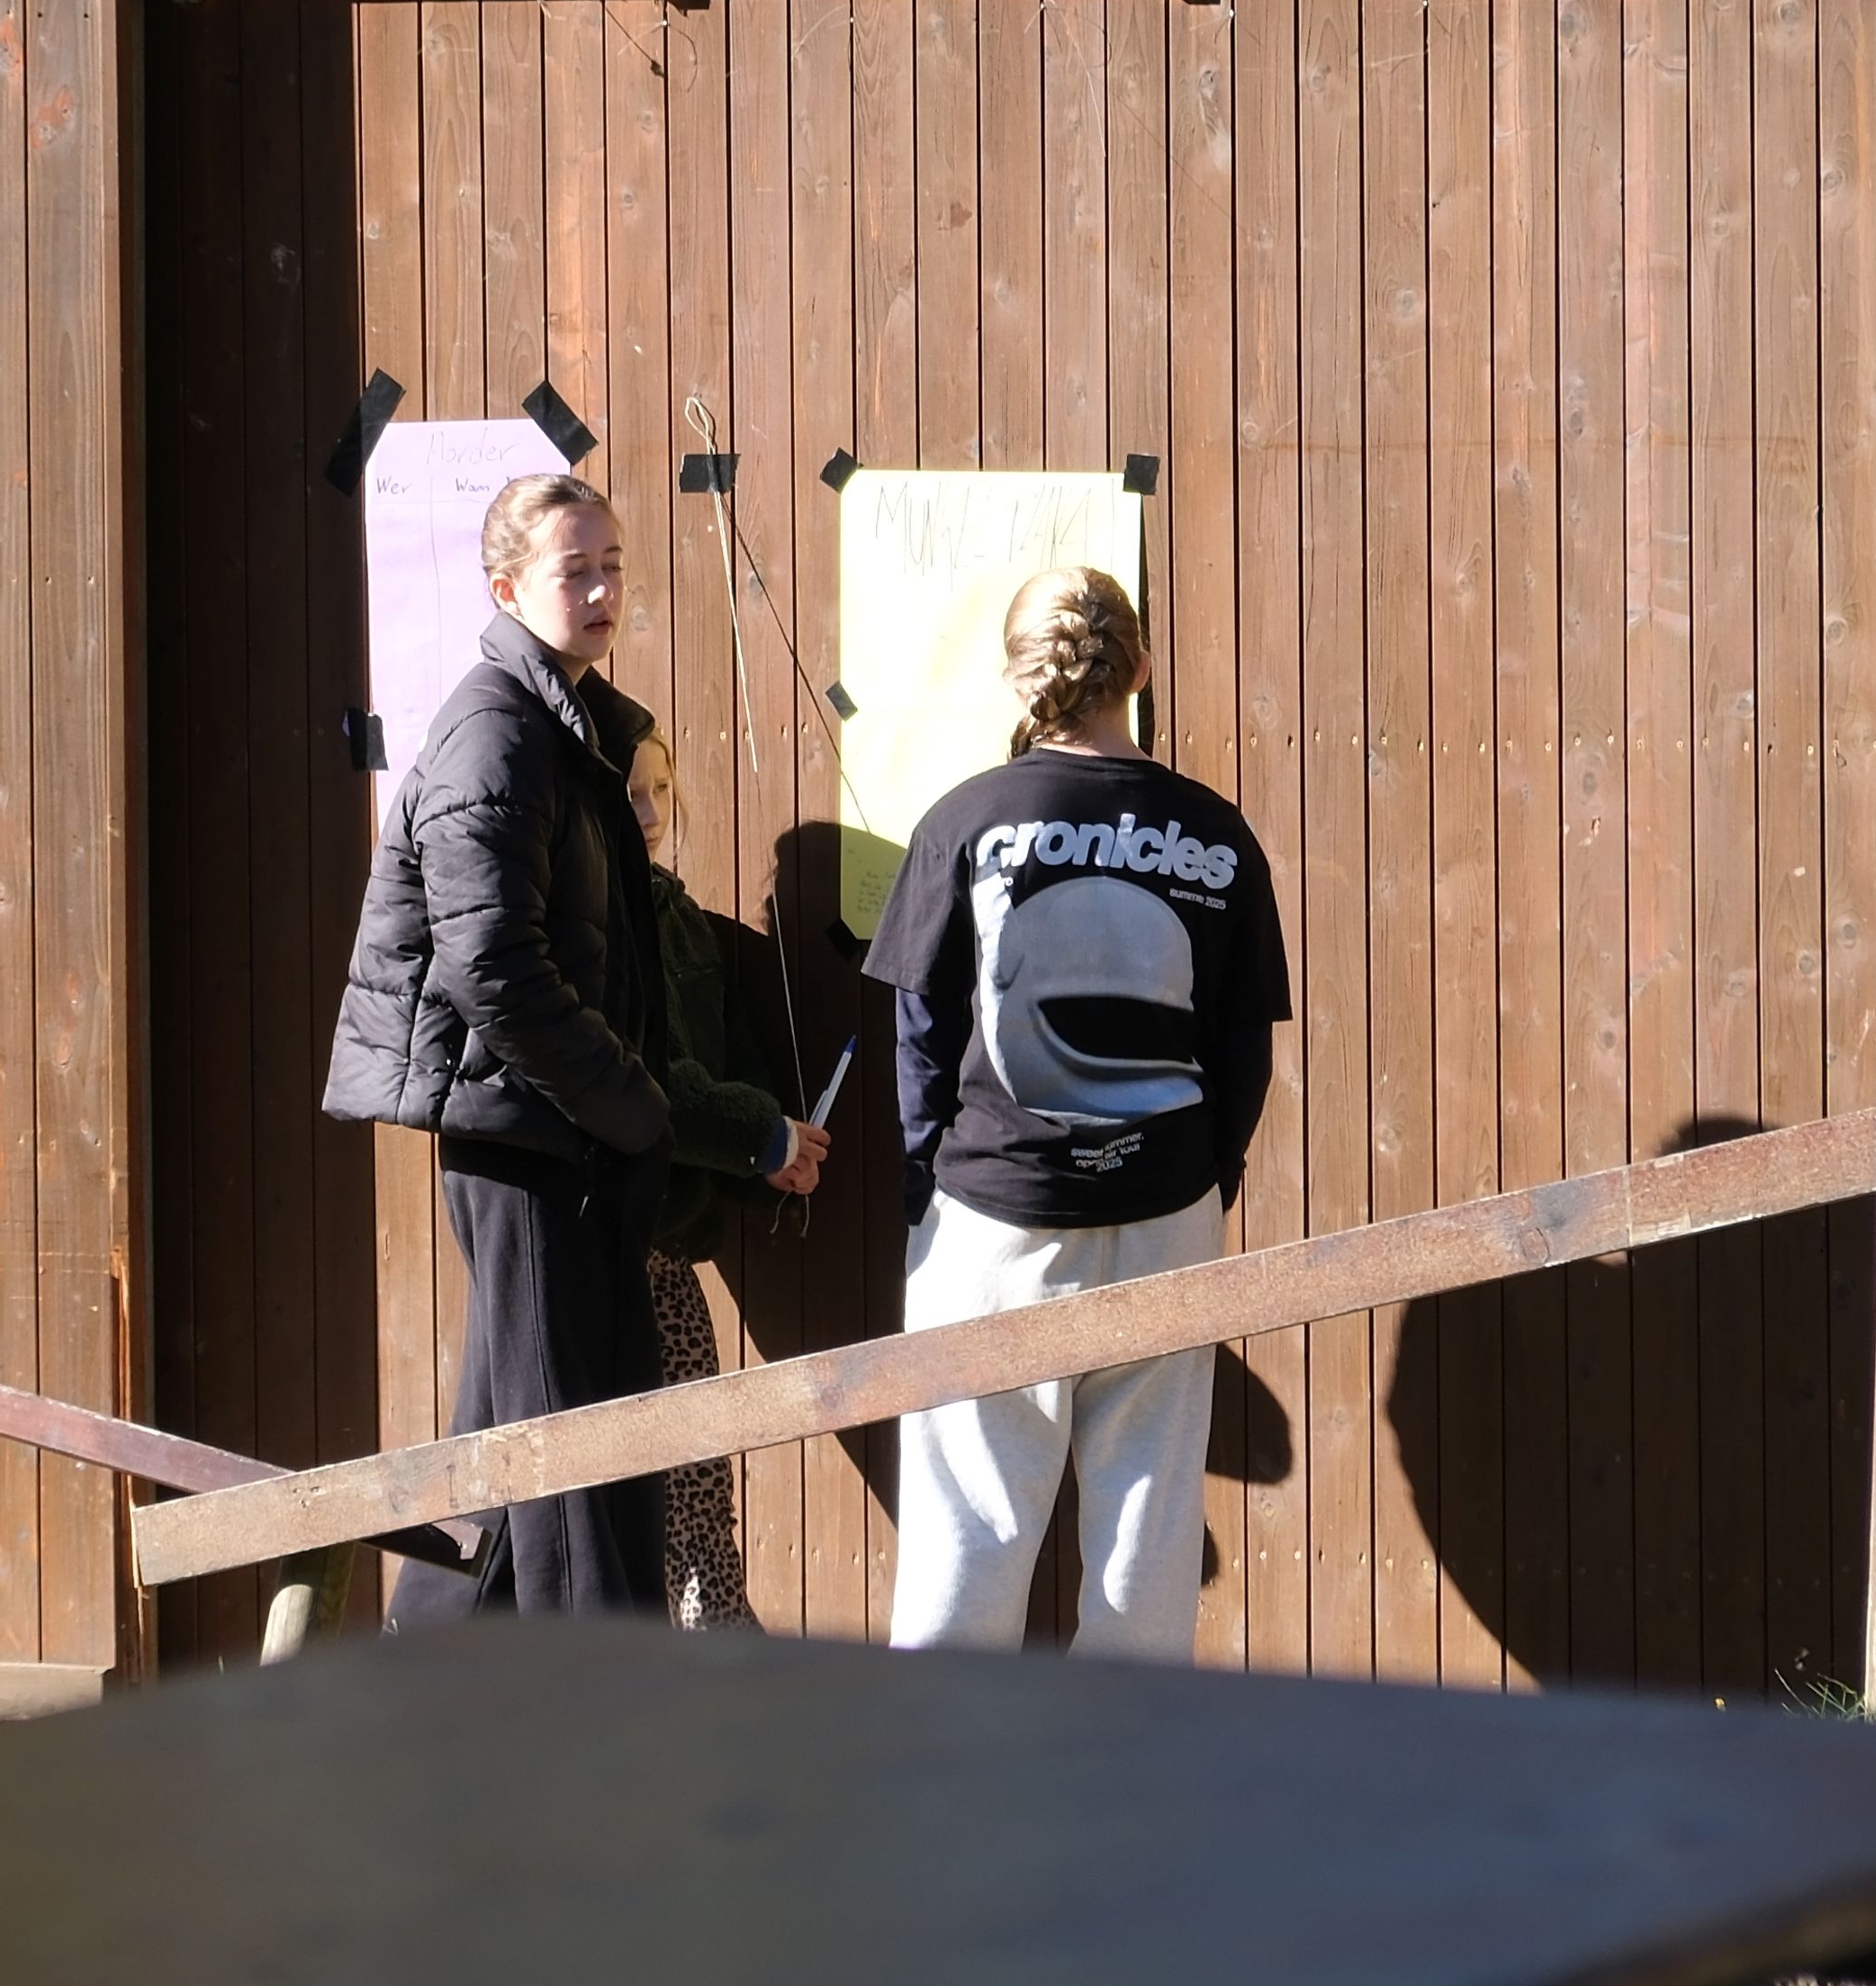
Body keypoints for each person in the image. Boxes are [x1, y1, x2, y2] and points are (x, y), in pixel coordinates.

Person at [321, 470, 827, 1620]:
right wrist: (634, 1108)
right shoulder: (497, 736)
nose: (603, 591)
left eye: (613, 567)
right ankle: (588, 1700)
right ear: (506, 587)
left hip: (573, 1140)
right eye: (574, 571)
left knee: (529, 1453)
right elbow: (492, 970)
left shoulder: (569, 726)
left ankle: (438, 1679)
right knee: (570, 1467)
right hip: (533, 1145)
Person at [862, 564, 1287, 1657]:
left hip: (990, 1218)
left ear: (1019, 677)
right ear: (1139, 668)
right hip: (1167, 1211)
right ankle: (1126, 1764)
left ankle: (941, 1764)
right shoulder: (1216, 831)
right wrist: (1204, 1179)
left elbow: (921, 1036)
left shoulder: (965, 819)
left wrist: (931, 1182)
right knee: (1147, 1524)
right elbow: (1243, 1046)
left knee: (966, 1530)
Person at [618, 733, 811, 1627]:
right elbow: (652, 1080)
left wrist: (771, 1153)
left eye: (662, 789)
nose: (651, 813)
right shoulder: (593, 923)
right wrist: (756, 1137)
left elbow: (727, 1061)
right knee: (630, 1499)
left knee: (696, 1488)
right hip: (606, 1250)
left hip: (671, 1248)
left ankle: (716, 1657)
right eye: (631, 793)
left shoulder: (682, 919)